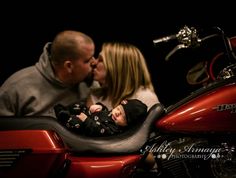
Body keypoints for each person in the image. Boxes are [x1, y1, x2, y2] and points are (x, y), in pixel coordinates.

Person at [87, 42, 160, 173]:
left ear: (117, 67)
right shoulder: (95, 95)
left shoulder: (144, 98)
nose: (94, 63)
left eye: (101, 60)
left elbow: (153, 156)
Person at [0, 30, 95, 117]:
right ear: (69, 66)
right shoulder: (16, 88)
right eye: (87, 60)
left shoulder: (91, 83)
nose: (94, 62)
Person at [54, 99, 147, 136]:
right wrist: (100, 107)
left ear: (127, 124)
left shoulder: (114, 129)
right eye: (119, 108)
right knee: (80, 105)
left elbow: (98, 129)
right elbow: (106, 112)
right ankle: (63, 109)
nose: (117, 113)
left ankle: (63, 116)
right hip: (89, 114)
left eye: (123, 116)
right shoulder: (112, 114)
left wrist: (86, 120)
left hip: (85, 126)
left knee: (75, 122)